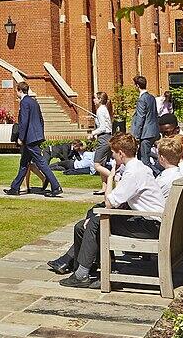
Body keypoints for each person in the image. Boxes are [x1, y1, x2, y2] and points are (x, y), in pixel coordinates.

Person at [47, 133, 167, 288]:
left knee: (97, 219)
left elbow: (109, 203)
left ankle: (82, 274)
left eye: (113, 153)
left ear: (121, 154)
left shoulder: (133, 173)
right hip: (153, 221)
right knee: (83, 223)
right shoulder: (140, 167)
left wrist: (110, 177)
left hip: (151, 226)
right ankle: (90, 269)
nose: (113, 156)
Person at [4, 82, 62, 198]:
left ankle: (56, 186)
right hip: (35, 136)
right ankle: (15, 187)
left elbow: (24, 122)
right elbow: (41, 119)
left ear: (19, 90)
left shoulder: (24, 102)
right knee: (24, 163)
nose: (16, 93)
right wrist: (40, 134)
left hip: (29, 138)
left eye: (17, 91)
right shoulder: (34, 102)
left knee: (41, 163)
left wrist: (21, 137)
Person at [130, 75, 160, 167]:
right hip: (154, 131)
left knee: (144, 161)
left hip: (146, 134)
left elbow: (140, 118)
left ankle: (156, 175)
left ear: (137, 86)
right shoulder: (151, 97)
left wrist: (136, 136)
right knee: (140, 156)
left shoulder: (141, 99)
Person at [90, 91, 113, 195]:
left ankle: (114, 177)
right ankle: (104, 188)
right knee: (102, 163)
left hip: (104, 138)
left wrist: (92, 133)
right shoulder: (103, 110)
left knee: (97, 164)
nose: (93, 100)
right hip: (107, 137)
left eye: (95, 98)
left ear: (99, 99)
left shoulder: (100, 110)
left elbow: (103, 127)